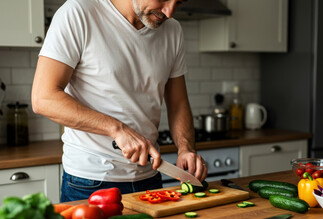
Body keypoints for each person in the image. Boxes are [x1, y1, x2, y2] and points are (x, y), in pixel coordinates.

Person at [32, 0, 207, 202]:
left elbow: (178, 104)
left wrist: (186, 149)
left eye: (179, 2)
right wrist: (117, 129)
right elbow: (43, 97)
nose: (169, 12)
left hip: (150, 179)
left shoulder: (172, 30)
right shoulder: (79, 12)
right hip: (90, 183)